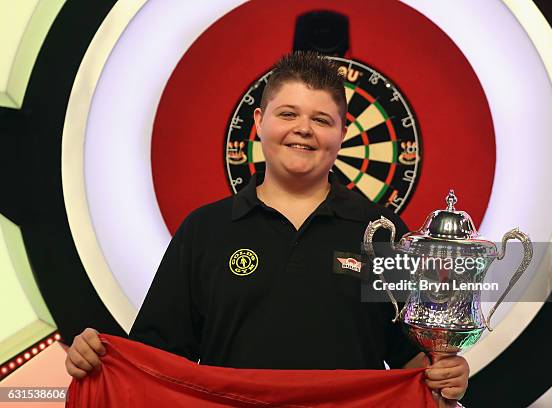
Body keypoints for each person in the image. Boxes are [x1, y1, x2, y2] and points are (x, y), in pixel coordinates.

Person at [66, 51, 469, 405]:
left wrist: (447, 373)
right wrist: (99, 358)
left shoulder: (381, 232)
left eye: (322, 119)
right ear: (259, 121)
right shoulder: (206, 230)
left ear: (343, 133)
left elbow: (412, 358)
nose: (303, 129)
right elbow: (153, 360)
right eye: (288, 114)